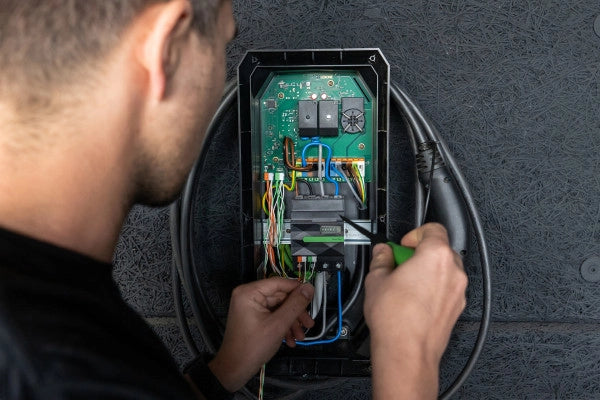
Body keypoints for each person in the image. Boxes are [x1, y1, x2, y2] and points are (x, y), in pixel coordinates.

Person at [0, 0, 467, 399]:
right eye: (221, 47)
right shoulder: (63, 365)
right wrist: (409, 356)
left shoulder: (50, 339)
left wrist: (218, 375)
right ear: (165, 47)